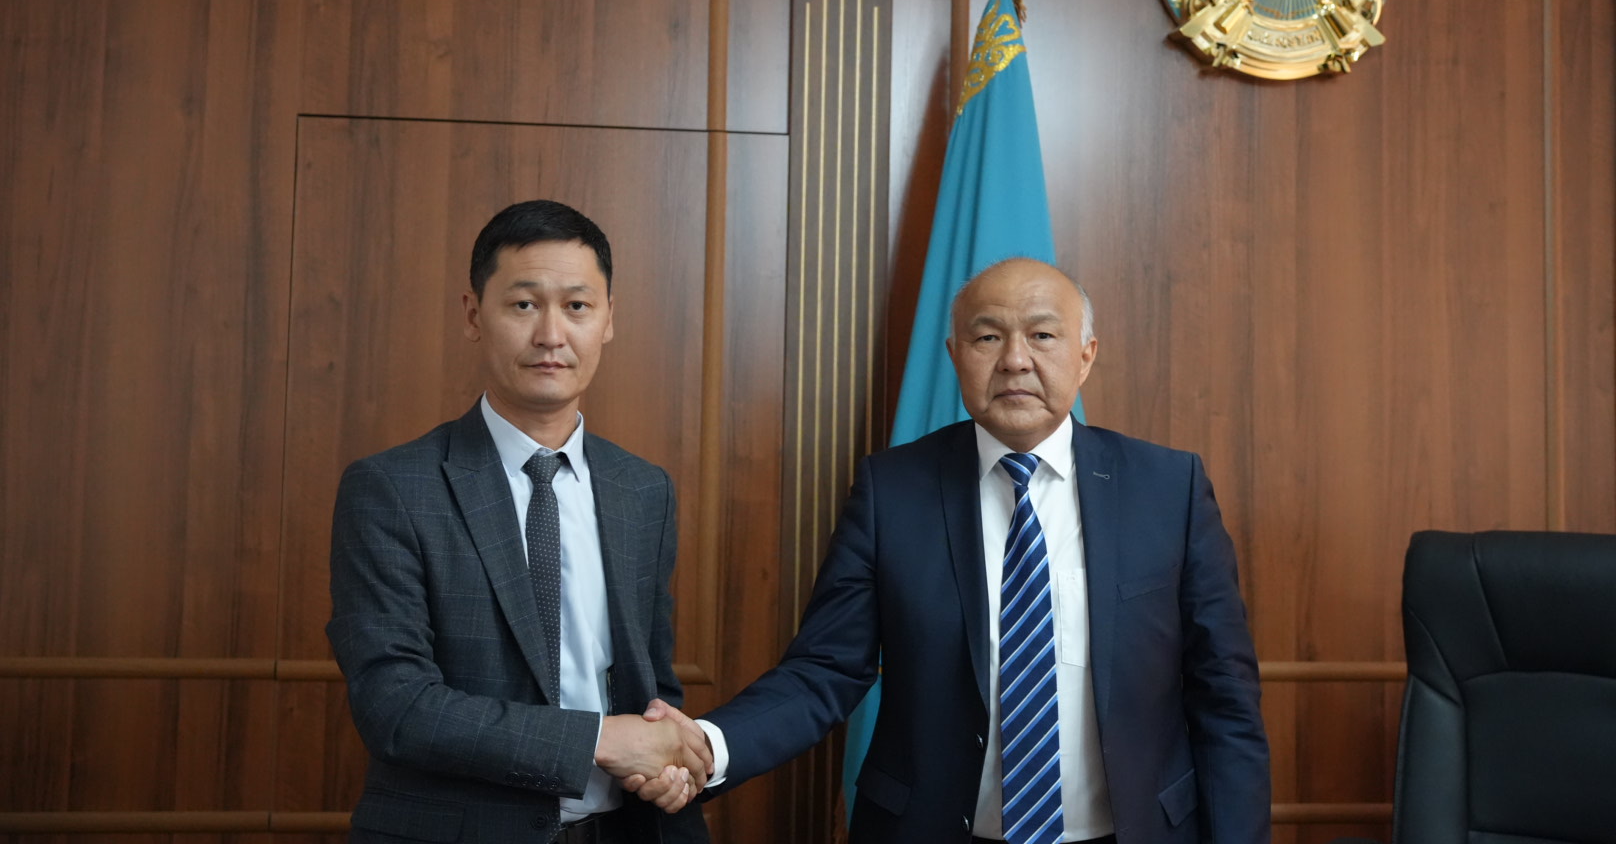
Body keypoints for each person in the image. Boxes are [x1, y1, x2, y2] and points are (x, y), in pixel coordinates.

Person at [650, 257, 1270, 843]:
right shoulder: (892, 490)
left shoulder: (1168, 488)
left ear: (1086, 356)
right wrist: (708, 745)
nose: (1015, 361)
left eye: (1043, 336)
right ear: (954, 355)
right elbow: (826, 669)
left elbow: (1225, 697)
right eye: (988, 338)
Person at [327, 199, 712, 844]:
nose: (551, 334)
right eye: (525, 304)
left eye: (578, 306)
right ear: (474, 315)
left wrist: (666, 763)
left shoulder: (644, 491)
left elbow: (654, 686)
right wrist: (596, 740)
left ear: (609, 319)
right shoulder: (392, 488)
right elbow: (394, 705)